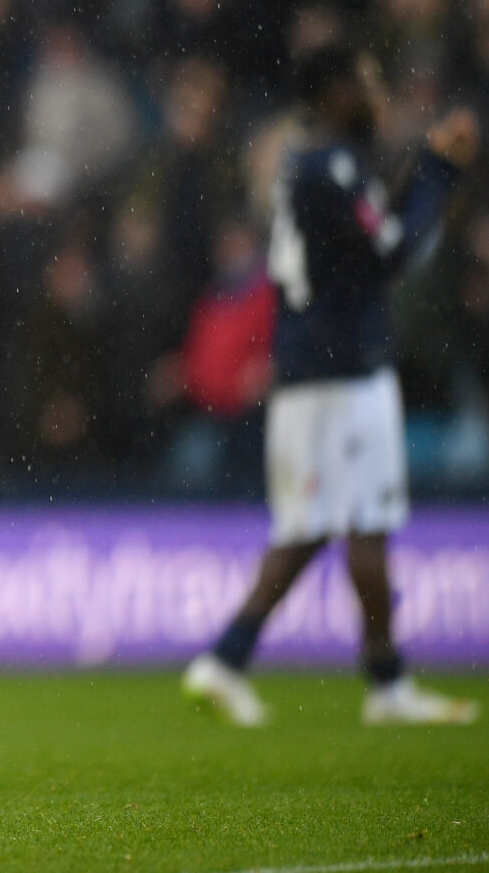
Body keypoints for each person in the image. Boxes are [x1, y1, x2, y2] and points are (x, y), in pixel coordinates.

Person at [183, 44, 480, 727]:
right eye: (364, 80)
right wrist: (438, 174)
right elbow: (391, 251)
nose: (376, 93)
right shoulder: (334, 165)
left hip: (314, 370)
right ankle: (381, 684)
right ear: (334, 93)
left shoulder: (314, 163)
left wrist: (422, 166)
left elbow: (369, 234)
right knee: (359, 522)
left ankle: (244, 661)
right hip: (341, 373)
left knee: (319, 527)